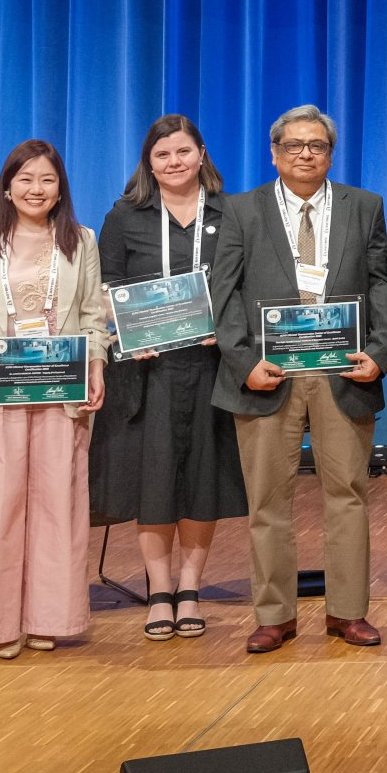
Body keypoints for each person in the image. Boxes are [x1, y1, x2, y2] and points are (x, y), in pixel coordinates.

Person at [212, 104, 387, 653]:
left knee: (348, 495)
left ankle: (348, 612)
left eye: (317, 145)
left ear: (330, 154)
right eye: (294, 145)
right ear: (274, 154)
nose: (305, 154)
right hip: (270, 374)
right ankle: (274, 616)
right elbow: (224, 294)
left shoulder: (365, 206)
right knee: (268, 501)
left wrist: (380, 351)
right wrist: (243, 363)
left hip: (343, 371)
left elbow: (382, 284)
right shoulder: (241, 209)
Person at [0, 139, 108, 658]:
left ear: (61, 188)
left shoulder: (81, 240)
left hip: (62, 391)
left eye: (47, 179)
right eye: (26, 179)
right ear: (8, 187)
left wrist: (97, 365)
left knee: (58, 507)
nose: (36, 189)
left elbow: (92, 317)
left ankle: (48, 618)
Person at [90, 115, 247, 642]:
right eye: (162, 154)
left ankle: (191, 587)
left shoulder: (232, 213)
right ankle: (159, 590)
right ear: (149, 163)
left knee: (203, 478)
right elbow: (105, 287)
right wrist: (128, 328)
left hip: (211, 366)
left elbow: (246, 285)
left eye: (183, 151)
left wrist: (227, 328)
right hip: (147, 369)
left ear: (201, 154)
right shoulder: (125, 216)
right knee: (154, 480)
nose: (174, 162)